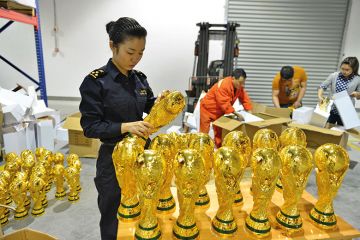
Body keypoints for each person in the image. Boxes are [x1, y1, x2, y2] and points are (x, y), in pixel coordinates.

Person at [79, 17, 156, 240]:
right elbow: (90, 127)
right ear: (113, 45)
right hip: (112, 159)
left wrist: (167, 103)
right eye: (130, 52)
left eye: (141, 53)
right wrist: (125, 127)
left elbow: (151, 106)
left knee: (144, 206)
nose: (136, 59)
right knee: (112, 212)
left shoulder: (139, 80)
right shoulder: (96, 82)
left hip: (142, 155)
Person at [200, 68, 252, 148]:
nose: (242, 85)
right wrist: (237, 114)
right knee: (204, 133)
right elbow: (224, 103)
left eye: (243, 83)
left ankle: (219, 149)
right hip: (207, 109)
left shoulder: (238, 87)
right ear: (233, 78)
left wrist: (249, 110)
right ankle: (202, 149)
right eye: (240, 82)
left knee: (219, 132)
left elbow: (244, 98)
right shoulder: (224, 85)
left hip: (220, 112)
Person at [318, 56, 360, 126]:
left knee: (343, 132)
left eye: (347, 70)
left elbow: (359, 97)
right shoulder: (334, 75)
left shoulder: (358, 79)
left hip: (346, 109)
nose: (344, 71)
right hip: (331, 108)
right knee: (327, 129)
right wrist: (320, 96)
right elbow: (322, 86)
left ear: (354, 69)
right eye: (342, 69)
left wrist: (357, 94)